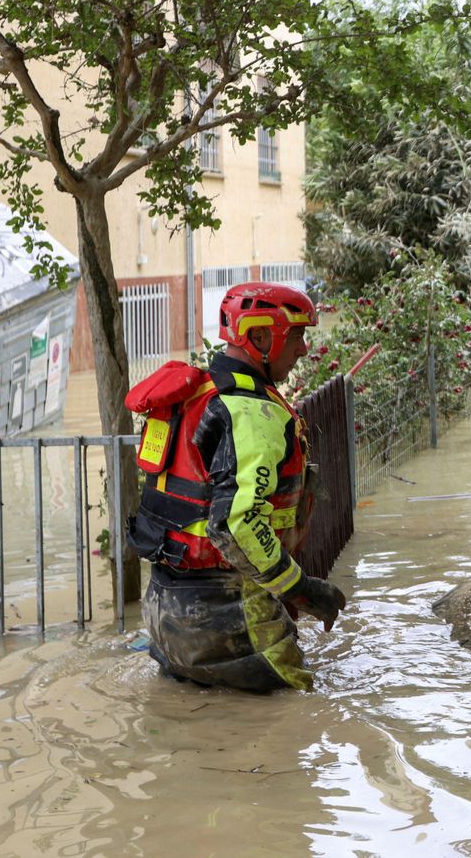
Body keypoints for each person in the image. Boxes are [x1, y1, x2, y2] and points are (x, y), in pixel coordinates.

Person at [125, 282, 347, 692]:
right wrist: (301, 589)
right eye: (296, 335)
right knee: (305, 716)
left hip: (163, 619)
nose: (302, 349)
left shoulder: (197, 395)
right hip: (226, 619)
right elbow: (235, 524)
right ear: (259, 336)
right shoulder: (251, 412)